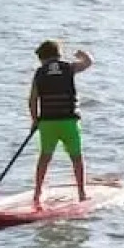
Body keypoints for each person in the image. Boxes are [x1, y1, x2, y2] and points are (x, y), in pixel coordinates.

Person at [29, 41, 94, 206]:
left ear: (43, 58)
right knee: (76, 158)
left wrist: (35, 121)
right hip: (68, 121)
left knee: (44, 158)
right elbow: (88, 63)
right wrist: (82, 55)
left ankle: (37, 194)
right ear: (58, 55)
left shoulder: (40, 73)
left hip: (48, 122)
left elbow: (32, 100)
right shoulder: (68, 68)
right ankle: (82, 193)